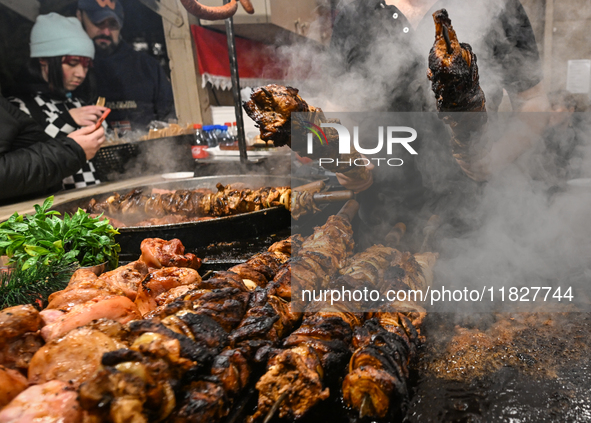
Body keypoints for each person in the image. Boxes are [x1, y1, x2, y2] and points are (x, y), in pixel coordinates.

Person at [326, 0, 551, 249]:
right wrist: (343, 158)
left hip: (472, 223)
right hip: (379, 219)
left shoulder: (496, 5)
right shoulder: (355, 9)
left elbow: (533, 100)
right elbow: (336, 104)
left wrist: (498, 156)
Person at [9, 13, 108, 190]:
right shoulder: (19, 106)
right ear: (43, 61)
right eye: (72, 63)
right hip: (56, 207)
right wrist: (66, 120)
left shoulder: (79, 101)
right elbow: (25, 163)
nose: (81, 73)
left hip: (92, 197)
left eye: (86, 65)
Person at [76, 0, 175, 132]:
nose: (106, 32)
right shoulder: (71, 70)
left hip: (148, 149)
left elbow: (170, 114)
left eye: (113, 24)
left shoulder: (147, 66)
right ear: (80, 16)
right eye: (98, 22)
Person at [0, 95, 105, 205]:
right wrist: (71, 149)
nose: (80, 76)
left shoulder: (80, 101)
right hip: (22, 212)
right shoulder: (23, 102)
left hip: (41, 205)